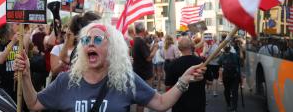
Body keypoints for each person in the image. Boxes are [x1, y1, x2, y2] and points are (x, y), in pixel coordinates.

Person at [14, 22, 206, 111]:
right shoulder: (67, 80)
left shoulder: (124, 80)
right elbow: (34, 104)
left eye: (98, 39)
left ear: (112, 47)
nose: (90, 43)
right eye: (86, 40)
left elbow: (162, 104)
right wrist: (26, 75)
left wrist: (183, 80)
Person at [165, 37, 206, 112]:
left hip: (179, 104)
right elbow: (209, 81)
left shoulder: (173, 64)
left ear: (179, 48)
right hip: (198, 103)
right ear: (191, 46)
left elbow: (168, 85)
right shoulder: (201, 62)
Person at [131, 22, 158, 112]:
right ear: (143, 30)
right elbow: (148, 58)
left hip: (140, 72)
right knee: (143, 100)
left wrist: (152, 47)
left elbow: (145, 54)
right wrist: (155, 49)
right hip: (144, 74)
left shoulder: (137, 40)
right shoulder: (140, 41)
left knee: (142, 99)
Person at [218, 42, 241, 112]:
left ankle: (228, 104)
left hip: (226, 76)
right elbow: (240, 63)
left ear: (223, 49)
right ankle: (234, 107)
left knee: (227, 90)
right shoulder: (235, 55)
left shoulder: (222, 56)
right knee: (235, 92)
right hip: (235, 76)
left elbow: (219, 64)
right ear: (230, 48)